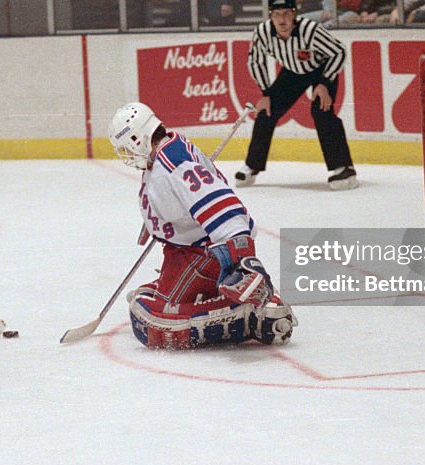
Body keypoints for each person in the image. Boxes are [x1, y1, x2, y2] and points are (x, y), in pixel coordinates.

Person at [108, 102, 296, 349]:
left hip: (203, 253)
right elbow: (176, 198)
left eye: (126, 147)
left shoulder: (173, 164)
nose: (127, 155)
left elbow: (218, 204)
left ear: (136, 138)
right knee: (147, 298)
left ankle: (249, 314)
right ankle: (221, 296)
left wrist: (242, 259)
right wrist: (155, 220)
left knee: (151, 324)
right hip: (185, 249)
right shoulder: (167, 149)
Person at [235, 0, 357, 190]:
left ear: (295, 15)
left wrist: (324, 83)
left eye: (286, 14)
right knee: (267, 111)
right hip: (292, 72)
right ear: (270, 16)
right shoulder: (263, 32)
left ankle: (344, 168)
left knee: (321, 112)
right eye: (276, 14)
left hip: (321, 70)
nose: (282, 19)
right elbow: (255, 61)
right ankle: (252, 166)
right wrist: (266, 93)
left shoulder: (310, 30)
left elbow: (338, 52)